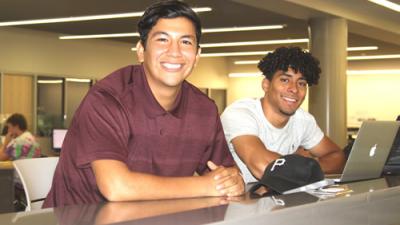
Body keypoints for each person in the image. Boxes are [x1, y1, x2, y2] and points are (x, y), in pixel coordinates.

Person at [43, 0, 244, 208]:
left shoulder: (204, 109)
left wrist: (233, 180)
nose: (174, 51)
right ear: (141, 50)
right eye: (162, 40)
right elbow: (116, 187)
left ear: (197, 55)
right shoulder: (107, 99)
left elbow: (228, 173)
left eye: (185, 42)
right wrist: (206, 186)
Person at [221, 46, 345, 183]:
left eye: (301, 83)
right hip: (237, 201)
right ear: (266, 85)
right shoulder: (240, 113)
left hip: (281, 201)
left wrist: (305, 166)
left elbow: (337, 157)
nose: (294, 89)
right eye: (285, 80)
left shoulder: (304, 120)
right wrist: (301, 163)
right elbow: (261, 166)